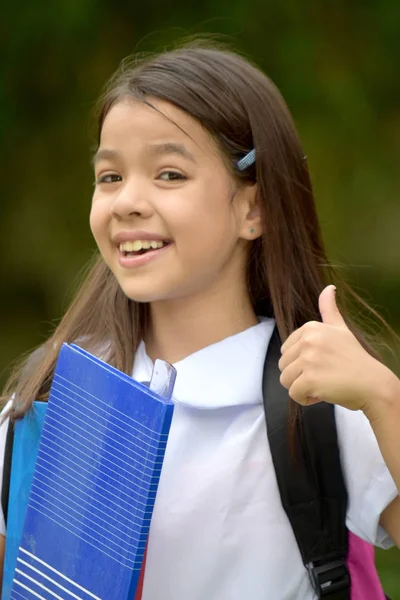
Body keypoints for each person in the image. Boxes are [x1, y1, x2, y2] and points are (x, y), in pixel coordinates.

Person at [0, 41, 399, 599]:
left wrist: (384, 397)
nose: (126, 202)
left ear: (253, 208)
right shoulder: (55, 394)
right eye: (109, 176)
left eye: (168, 174)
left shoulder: (318, 400)